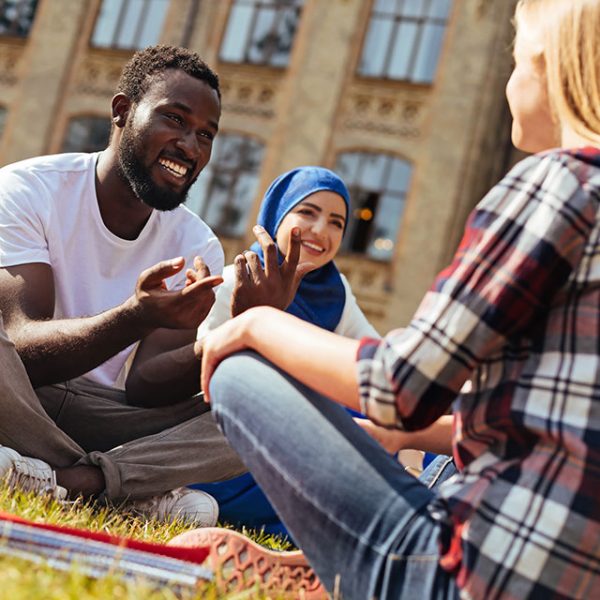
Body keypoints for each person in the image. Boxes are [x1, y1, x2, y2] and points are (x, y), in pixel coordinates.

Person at [176, 0, 600, 597]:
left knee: (242, 371)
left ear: (550, 66)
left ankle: (358, 571)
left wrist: (257, 327)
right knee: (447, 449)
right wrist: (403, 436)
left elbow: (401, 387)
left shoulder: (558, 186)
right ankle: (322, 566)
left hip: (477, 579)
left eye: (515, 60)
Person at [0, 45, 247, 523]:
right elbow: (20, 343)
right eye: (174, 119)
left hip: (108, 416)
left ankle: (71, 482)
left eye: (206, 135)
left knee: (261, 406)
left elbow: (146, 387)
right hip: (22, 397)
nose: (191, 148)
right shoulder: (28, 190)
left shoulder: (197, 242)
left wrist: (237, 337)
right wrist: (134, 317)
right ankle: (127, 489)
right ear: (122, 111)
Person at [188, 166, 379, 534]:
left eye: (337, 222)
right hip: (233, 444)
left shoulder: (334, 291)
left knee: (394, 405)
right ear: (278, 212)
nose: (321, 231)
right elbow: (205, 388)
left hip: (304, 445)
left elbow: (375, 362)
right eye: (308, 212)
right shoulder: (238, 280)